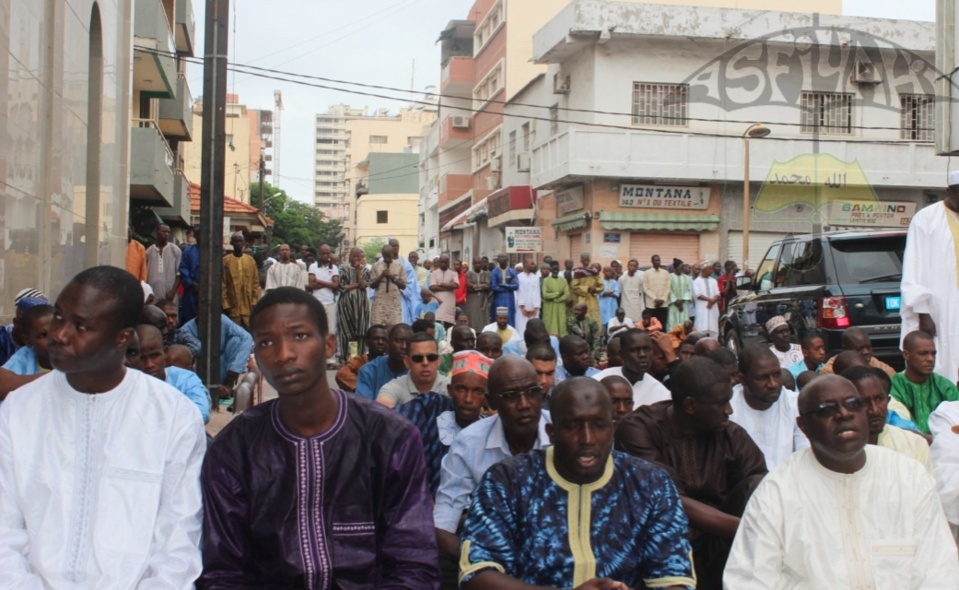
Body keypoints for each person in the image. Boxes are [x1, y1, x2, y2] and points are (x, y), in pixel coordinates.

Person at [199, 287, 438, 586]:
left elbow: (412, 562)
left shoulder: (390, 437)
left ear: (328, 345)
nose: (284, 354)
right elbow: (222, 570)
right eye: (267, 342)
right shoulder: (236, 447)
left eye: (299, 336)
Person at [0, 266, 205, 586]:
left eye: (80, 325)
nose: (60, 334)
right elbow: (4, 537)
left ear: (122, 338)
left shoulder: (172, 417)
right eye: (58, 317)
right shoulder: (18, 410)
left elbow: (177, 549)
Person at [724, 375, 959, 589]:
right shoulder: (777, 492)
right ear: (803, 426)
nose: (844, 414)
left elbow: (939, 570)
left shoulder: (908, 477)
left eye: (854, 404)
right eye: (826, 409)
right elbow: (748, 580)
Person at [459, 378, 696, 589]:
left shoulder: (650, 484)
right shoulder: (508, 480)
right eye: (573, 426)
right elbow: (477, 574)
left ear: (613, 429)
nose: (587, 439)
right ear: (552, 432)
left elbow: (674, 577)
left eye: (599, 425)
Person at [616, 357, 767, 589]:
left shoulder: (731, 435)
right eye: (722, 403)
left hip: (721, 543)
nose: (730, 410)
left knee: (757, 486)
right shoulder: (638, 428)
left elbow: (762, 489)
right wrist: (749, 529)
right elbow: (671, 502)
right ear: (690, 405)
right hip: (662, 540)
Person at [433, 357, 552, 561]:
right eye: (510, 396)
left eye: (532, 392)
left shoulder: (563, 432)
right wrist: (480, 562)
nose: (524, 405)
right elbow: (443, 523)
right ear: (491, 401)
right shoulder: (468, 444)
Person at [396, 350, 491, 500]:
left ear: (486, 397)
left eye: (477, 391)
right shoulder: (431, 410)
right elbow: (391, 423)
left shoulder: (491, 435)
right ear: (450, 390)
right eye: (461, 389)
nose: (468, 399)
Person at [901, 170, 959, 390]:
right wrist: (922, 313)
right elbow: (914, 267)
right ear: (950, 191)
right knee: (941, 361)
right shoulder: (927, 218)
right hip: (938, 309)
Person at [729, 345, 809, 470]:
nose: (773, 384)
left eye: (777, 375)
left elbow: (804, 456)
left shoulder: (795, 403)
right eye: (762, 378)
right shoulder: (728, 408)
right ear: (742, 379)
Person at [842, 365, 931, 470]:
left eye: (879, 399)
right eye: (864, 402)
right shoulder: (834, 451)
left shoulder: (915, 444)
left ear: (888, 401)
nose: (874, 410)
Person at [135, 324, 210, 424]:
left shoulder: (184, 378)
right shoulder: (128, 384)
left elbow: (201, 413)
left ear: (165, 352)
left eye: (154, 356)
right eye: (142, 358)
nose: (149, 364)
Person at [890, 330, 959, 434]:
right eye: (923, 354)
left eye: (933, 353)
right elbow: (895, 422)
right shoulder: (894, 386)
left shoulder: (944, 386)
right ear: (906, 355)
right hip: (907, 444)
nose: (930, 359)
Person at [593, 328, 670, 409]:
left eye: (647, 349)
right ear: (622, 354)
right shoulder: (598, 382)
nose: (642, 355)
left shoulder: (661, 393)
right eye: (635, 350)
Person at [181, 313, 254, 396]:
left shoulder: (222, 320)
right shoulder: (186, 330)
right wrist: (209, 386)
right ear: (197, 310)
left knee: (236, 340)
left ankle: (227, 387)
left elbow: (247, 337)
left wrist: (235, 368)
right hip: (199, 374)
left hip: (222, 369)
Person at [376, 332, 449, 409]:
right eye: (417, 358)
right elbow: (382, 411)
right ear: (406, 362)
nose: (425, 363)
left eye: (431, 357)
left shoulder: (450, 387)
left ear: (439, 361)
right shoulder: (394, 387)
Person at [0, 300, 53, 399]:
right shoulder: (24, 358)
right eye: (43, 335)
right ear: (28, 341)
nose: (53, 339)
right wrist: (55, 379)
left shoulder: (77, 356)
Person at [355, 323, 412, 400]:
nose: (404, 346)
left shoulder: (416, 371)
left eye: (408, 343)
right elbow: (364, 407)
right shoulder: (370, 371)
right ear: (388, 343)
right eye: (398, 341)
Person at [336, 247, 372, 362]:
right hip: (346, 306)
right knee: (347, 331)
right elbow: (341, 287)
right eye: (354, 256)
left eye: (359, 257)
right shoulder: (343, 270)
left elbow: (363, 285)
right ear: (350, 256)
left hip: (361, 306)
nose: (356, 259)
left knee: (359, 332)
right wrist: (353, 286)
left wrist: (358, 272)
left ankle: (355, 357)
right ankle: (346, 358)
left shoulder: (365, 270)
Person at [221, 231, 260, 330]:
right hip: (233, 307)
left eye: (240, 241)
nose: (238, 243)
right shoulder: (226, 261)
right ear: (232, 243)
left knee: (250, 333)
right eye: (236, 241)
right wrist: (225, 304)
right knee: (234, 333)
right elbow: (223, 284)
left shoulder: (250, 261)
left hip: (248, 306)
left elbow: (255, 282)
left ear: (244, 243)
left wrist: (254, 301)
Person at [820, 326, 896, 376]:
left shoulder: (882, 368)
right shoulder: (829, 372)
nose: (866, 352)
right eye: (860, 349)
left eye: (868, 347)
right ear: (846, 349)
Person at [336, 324, 389, 392]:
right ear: (367, 342)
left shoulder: (390, 361)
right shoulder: (359, 361)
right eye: (376, 339)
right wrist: (363, 387)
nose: (380, 342)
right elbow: (341, 375)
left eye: (384, 339)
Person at [308, 244, 341, 340]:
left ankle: (330, 354)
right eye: (323, 253)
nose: (326, 255)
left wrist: (319, 281)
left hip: (330, 303)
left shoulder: (334, 268)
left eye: (327, 253)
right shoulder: (313, 266)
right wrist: (329, 284)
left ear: (330, 254)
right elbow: (311, 285)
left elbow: (336, 285)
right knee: (317, 329)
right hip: (317, 302)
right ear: (319, 254)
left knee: (331, 331)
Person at [145, 223, 182, 304]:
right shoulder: (149, 251)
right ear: (156, 232)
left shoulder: (175, 250)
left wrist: (173, 292)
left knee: (170, 314)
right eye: (164, 231)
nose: (166, 234)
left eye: (168, 232)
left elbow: (179, 274)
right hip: (153, 293)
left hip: (170, 294)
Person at [388, 239, 421, 326]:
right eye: (392, 246)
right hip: (386, 297)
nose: (395, 248)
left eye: (397, 246)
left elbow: (410, 283)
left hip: (401, 297)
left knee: (401, 322)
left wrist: (395, 280)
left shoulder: (405, 263)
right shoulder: (381, 262)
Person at [571, 255, 603, 325]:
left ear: (589, 261)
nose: (586, 262)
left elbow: (601, 286)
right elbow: (574, 287)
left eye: (587, 260)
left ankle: (596, 334)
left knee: (594, 317)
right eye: (584, 260)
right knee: (582, 316)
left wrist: (595, 289)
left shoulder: (594, 272)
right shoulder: (578, 273)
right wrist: (587, 288)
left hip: (592, 298)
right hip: (582, 299)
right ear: (581, 261)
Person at [541, 260, 569, 337]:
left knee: (561, 325)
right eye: (554, 270)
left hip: (560, 307)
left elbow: (566, 294)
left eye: (557, 270)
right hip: (549, 307)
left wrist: (556, 299)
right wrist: (557, 294)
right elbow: (545, 294)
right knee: (549, 325)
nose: (555, 271)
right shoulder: (546, 280)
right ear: (551, 270)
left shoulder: (563, 280)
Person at [178, 229, 201, 325]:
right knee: (189, 317)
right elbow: (183, 269)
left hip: (209, 289)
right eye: (199, 234)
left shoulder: (214, 251)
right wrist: (193, 283)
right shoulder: (188, 251)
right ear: (195, 236)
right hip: (191, 290)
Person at [489, 254, 519, 326]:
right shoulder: (494, 272)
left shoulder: (512, 271)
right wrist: (508, 287)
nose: (501, 259)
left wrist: (504, 285)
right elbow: (494, 287)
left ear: (507, 259)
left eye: (503, 257)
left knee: (509, 317)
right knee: (497, 317)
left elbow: (516, 286)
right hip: (498, 298)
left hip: (509, 298)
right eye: (499, 258)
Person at [429, 254, 459, 327]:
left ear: (448, 262)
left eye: (445, 262)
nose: (443, 264)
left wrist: (440, 284)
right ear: (439, 262)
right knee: (436, 324)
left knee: (448, 325)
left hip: (449, 303)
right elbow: (432, 287)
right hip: (437, 303)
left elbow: (456, 285)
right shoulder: (434, 273)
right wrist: (449, 286)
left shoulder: (453, 273)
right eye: (441, 262)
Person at [642, 254, 671, 329]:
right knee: (652, 326)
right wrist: (655, 299)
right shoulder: (646, 273)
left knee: (662, 325)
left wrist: (663, 299)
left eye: (659, 260)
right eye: (655, 260)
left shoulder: (665, 273)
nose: (658, 262)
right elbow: (646, 288)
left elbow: (668, 287)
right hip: (652, 304)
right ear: (652, 262)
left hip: (663, 304)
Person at [515, 258, 542, 337]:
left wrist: (535, 308)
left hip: (533, 308)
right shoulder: (519, 277)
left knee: (533, 327)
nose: (534, 266)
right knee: (521, 327)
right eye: (531, 264)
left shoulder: (536, 277)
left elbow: (537, 292)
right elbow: (519, 292)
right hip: (522, 308)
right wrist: (523, 308)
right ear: (525, 265)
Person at [464, 257, 491, 333]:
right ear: (473, 264)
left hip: (483, 299)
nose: (478, 265)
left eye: (479, 263)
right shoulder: (469, 274)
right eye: (476, 263)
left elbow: (488, 286)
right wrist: (482, 286)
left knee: (483, 319)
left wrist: (475, 286)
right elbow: (469, 287)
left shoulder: (486, 274)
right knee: (472, 318)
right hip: (472, 300)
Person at [692, 262, 720, 334]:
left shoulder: (713, 281)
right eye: (710, 269)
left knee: (713, 328)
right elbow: (698, 295)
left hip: (713, 306)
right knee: (701, 327)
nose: (712, 271)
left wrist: (712, 301)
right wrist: (710, 300)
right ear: (704, 270)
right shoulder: (696, 281)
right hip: (702, 306)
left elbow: (717, 293)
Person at [668, 257, 692, 330]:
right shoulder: (669, 277)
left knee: (684, 323)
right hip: (673, 304)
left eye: (683, 267)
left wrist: (682, 301)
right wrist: (676, 301)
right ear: (675, 267)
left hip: (684, 304)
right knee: (673, 323)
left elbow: (688, 290)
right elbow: (668, 290)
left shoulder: (687, 278)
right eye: (681, 267)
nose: (682, 268)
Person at [598, 266, 620, 334]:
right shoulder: (600, 281)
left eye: (610, 271)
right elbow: (600, 293)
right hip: (603, 305)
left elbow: (617, 294)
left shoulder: (614, 282)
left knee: (612, 321)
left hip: (612, 305)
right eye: (607, 271)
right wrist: (610, 292)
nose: (608, 273)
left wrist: (606, 293)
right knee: (603, 322)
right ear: (603, 272)